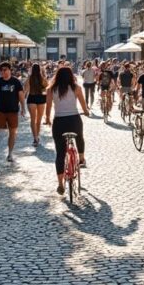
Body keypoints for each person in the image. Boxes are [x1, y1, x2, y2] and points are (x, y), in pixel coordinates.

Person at [45, 66, 90, 195]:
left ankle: (60, 184)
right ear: (71, 76)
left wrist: (47, 119)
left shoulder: (51, 89)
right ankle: (81, 157)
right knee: (79, 137)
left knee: (60, 153)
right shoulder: (76, 88)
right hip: (74, 120)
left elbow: (48, 108)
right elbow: (83, 104)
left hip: (59, 122)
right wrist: (86, 112)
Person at [0, 61, 25, 162]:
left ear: (10, 70)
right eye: (1, 70)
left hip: (13, 111)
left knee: (12, 133)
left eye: (5, 70)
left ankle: (10, 153)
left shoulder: (16, 82)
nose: (3, 72)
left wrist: (23, 108)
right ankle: (6, 150)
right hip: (1, 111)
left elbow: (21, 96)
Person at [24, 63, 48, 146]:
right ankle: (37, 136)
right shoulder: (42, 78)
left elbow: (25, 89)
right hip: (41, 98)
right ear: (39, 70)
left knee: (32, 119)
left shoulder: (29, 78)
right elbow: (46, 87)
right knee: (39, 119)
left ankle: (35, 138)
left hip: (31, 98)